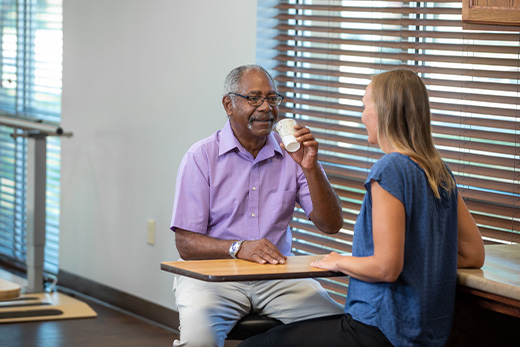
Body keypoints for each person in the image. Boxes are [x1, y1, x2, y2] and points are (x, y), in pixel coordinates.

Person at [238, 68, 486, 347]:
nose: (362, 116)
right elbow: (473, 254)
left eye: (365, 106)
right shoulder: (439, 172)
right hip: (426, 335)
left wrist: (338, 260)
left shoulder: (390, 168)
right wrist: (415, 263)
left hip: (378, 330)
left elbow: (385, 269)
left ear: (384, 111)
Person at [170, 64, 344, 347]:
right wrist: (239, 248)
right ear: (229, 104)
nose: (266, 107)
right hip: (212, 278)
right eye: (254, 98)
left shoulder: (294, 155)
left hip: (277, 277)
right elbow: (186, 244)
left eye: (272, 98)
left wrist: (311, 168)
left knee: (340, 330)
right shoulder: (201, 157)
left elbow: (331, 224)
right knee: (199, 342)